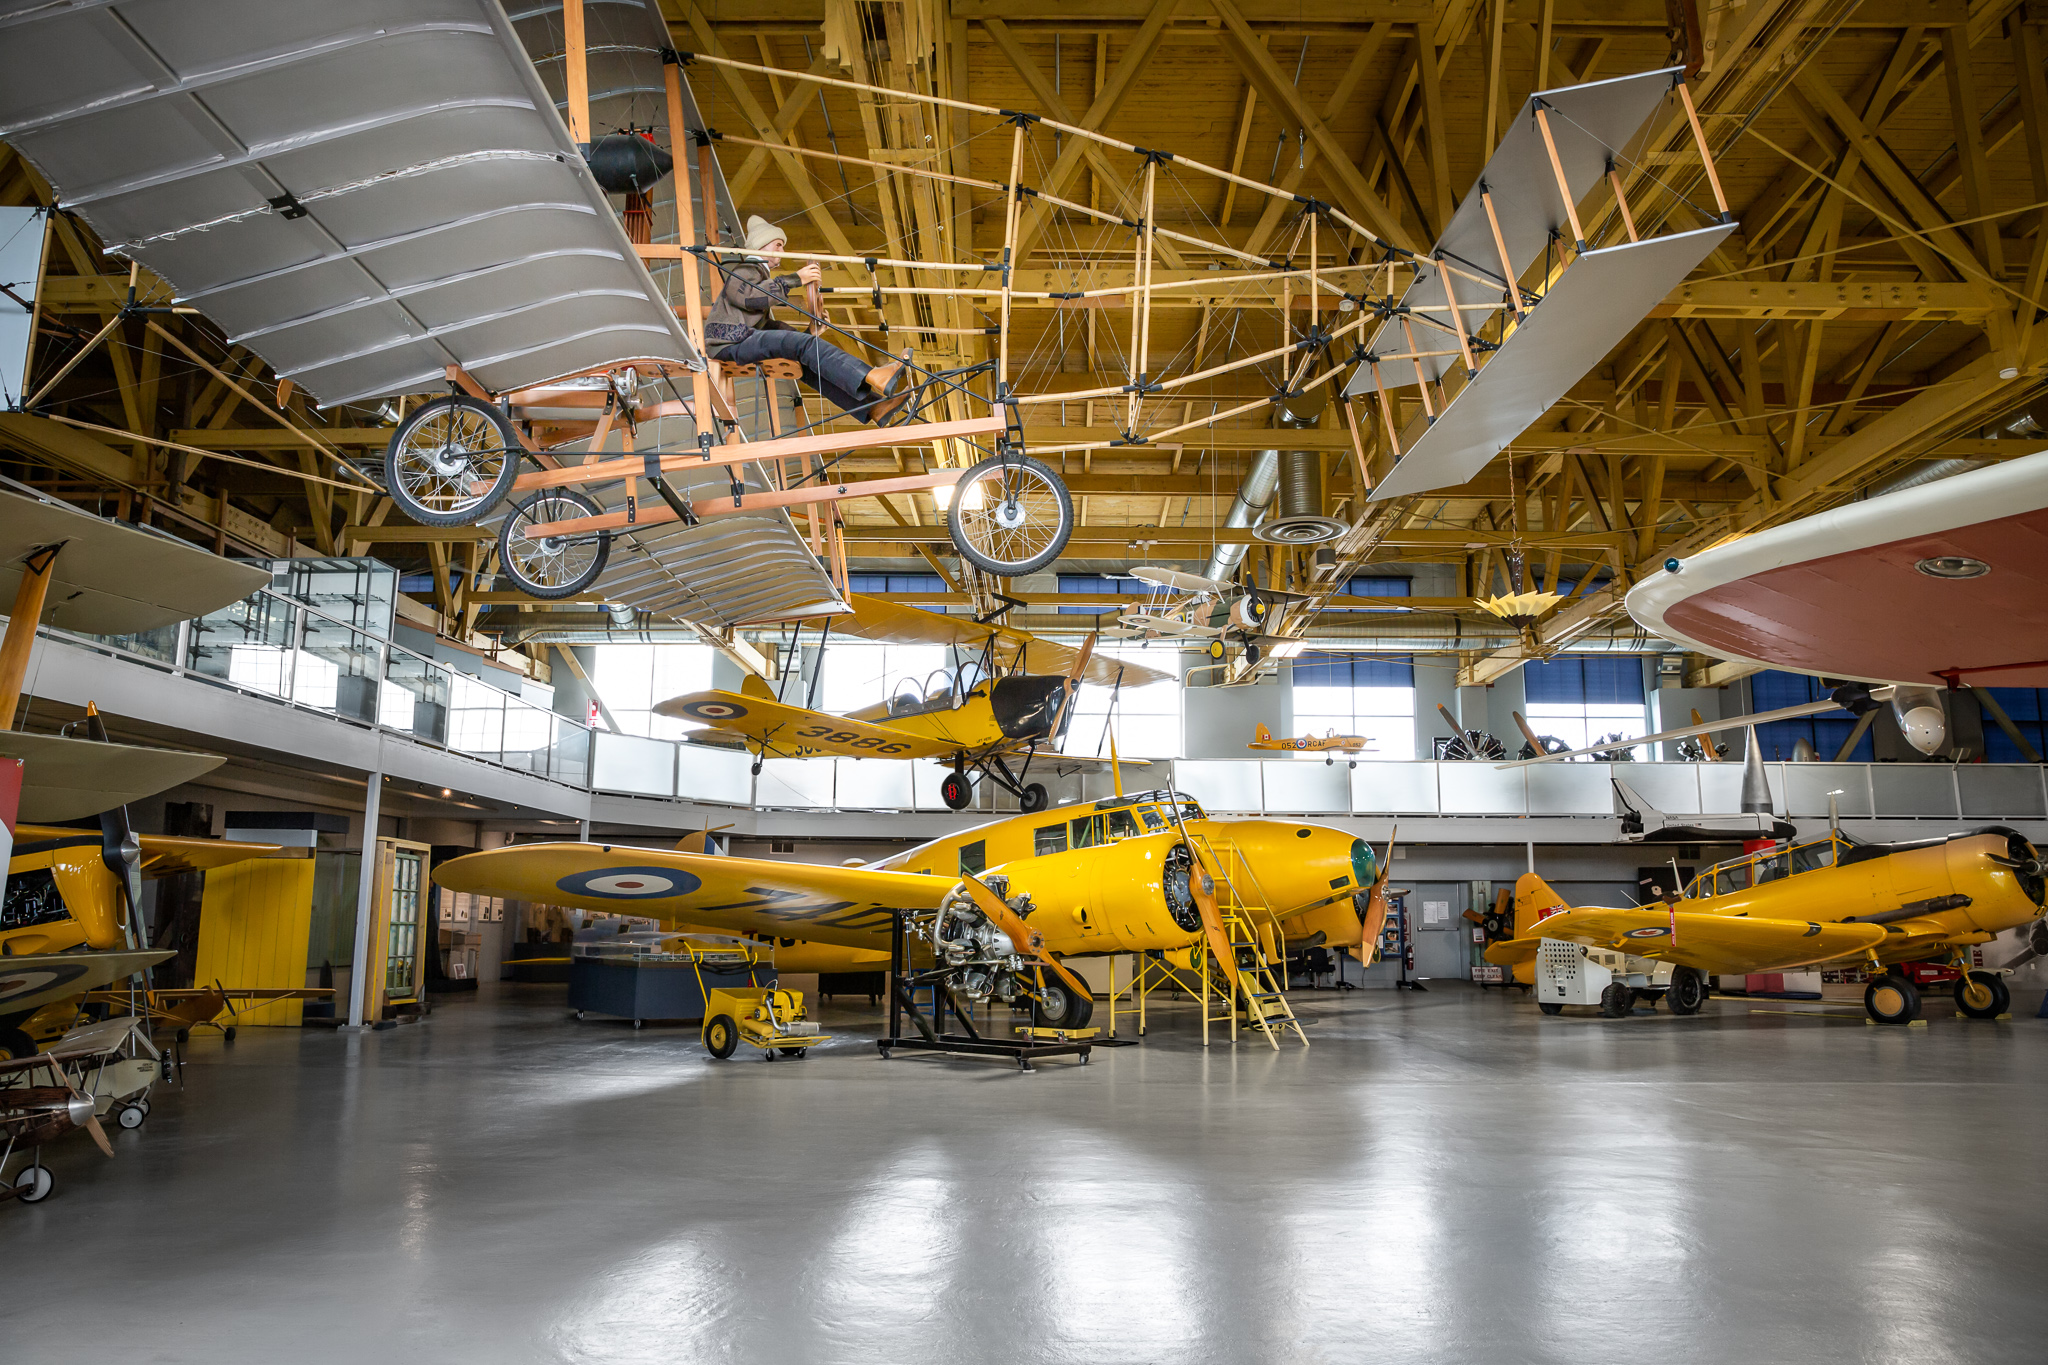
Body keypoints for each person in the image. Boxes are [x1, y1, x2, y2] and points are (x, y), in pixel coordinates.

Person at [701, 215, 911, 426]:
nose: (782, 252)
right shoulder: (745, 269)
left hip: (740, 340)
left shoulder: (759, 278)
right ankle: (873, 376)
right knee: (807, 348)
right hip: (728, 342)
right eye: (778, 245)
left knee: (806, 364)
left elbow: (774, 331)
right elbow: (746, 297)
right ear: (762, 246)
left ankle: (874, 407)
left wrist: (809, 332)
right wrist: (795, 279)